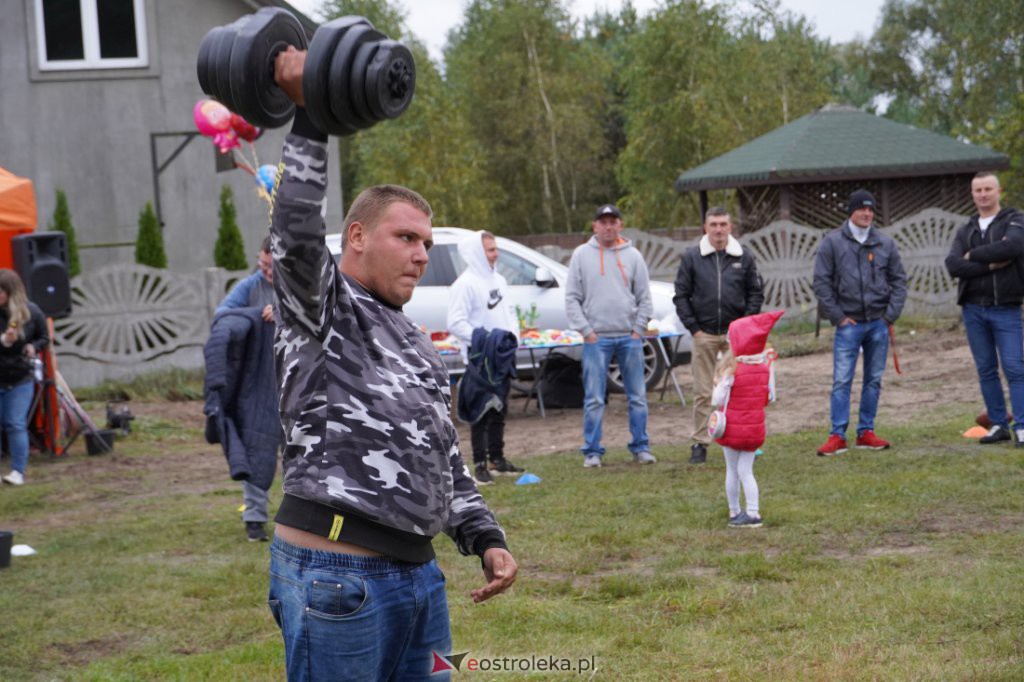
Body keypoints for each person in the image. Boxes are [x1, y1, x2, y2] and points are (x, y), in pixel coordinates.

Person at [266, 46, 516, 681]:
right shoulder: (320, 309)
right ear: (356, 237)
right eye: (406, 238)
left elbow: (441, 451)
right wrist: (310, 113)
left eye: (426, 244)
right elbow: (294, 234)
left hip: (419, 578)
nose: (420, 255)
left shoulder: (412, 339)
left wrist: (484, 536)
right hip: (338, 579)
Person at [813, 189, 908, 456]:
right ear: (851, 212)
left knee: (873, 380)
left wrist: (890, 315)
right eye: (861, 209)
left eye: (870, 209)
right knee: (842, 381)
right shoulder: (832, 243)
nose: (867, 214)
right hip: (848, 325)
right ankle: (837, 435)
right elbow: (820, 283)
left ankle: (866, 432)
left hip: (878, 323)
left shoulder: (885, 243)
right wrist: (838, 318)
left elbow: (899, 281)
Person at [565, 203, 655, 468]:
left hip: (629, 337)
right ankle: (592, 451)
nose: (608, 226)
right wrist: (587, 331)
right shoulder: (581, 255)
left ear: (620, 225)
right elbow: (572, 298)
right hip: (597, 339)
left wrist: (639, 330)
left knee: (637, 396)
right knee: (594, 398)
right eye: (603, 222)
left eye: (613, 221)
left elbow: (645, 298)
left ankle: (641, 447)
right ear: (594, 226)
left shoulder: (634, 256)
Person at [673, 206, 764, 465]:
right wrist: (694, 328)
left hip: (736, 337)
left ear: (730, 227)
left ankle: (743, 440)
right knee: (703, 391)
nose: (718, 229)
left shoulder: (744, 257)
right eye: (713, 224)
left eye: (723, 224)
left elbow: (755, 294)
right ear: (705, 227)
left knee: (740, 391)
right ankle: (700, 443)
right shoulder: (692, 257)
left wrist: (744, 327)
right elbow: (681, 295)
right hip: (705, 333)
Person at [206, 236, 279, 542]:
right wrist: (256, 315)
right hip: (258, 386)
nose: (265, 272)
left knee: (303, 457)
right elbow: (222, 316)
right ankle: (254, 520)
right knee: (253, 450)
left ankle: (307, 519)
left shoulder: (306, 288)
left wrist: (283, 312)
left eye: (271, 268)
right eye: (262, 265)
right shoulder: (250, 286)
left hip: (299, 384)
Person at [944, 172, 1024, 445]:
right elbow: (953, 265)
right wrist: (990, 264)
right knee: (986, 370)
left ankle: (1022, 427)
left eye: (988, 188)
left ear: (999, 191)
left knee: (1014, 368)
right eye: (978, 190)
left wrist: (973, 255)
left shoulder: (1014, 220)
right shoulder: (965, 229)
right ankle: (999, 425)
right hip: (973, 309)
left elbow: (1013, 247)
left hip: (1005, 308)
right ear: (973, 194)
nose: (983, 194)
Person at [447, 231, 524, 485]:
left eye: (495, 248)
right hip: (480, 361)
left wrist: (512, 338)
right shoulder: (465, 284)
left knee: (499, 410)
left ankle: (497, 460)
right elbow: (456, 323)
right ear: (477, 253)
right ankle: (480, 466)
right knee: (480, 412)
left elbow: (510, 312)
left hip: (502, 358)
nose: (496, 254)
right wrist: (486, 340)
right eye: (490, 250)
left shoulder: (499, 280)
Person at [710, 310, 783, 528]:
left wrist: (719, 384)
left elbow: (718, 399)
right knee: (747, 471)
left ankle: (736, 512)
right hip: (754, 431)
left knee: (732, 471)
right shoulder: (763, 369)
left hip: (731, 429)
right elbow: (769, 397)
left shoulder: (731, 371)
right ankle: (753, 511)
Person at [0, 269, 49, 486]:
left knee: (15, 423)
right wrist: (4, 341)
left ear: (11, 292)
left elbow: (44, 337)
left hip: (21, 378)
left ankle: (17, 472)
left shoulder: (31, 312)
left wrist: (32, 346)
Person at [216, 235, 275, 322]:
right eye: (265, 264)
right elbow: (221, 312)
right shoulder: (250, 284)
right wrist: (257, 313)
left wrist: (280, 314)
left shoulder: (296, 286)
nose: (270, 272)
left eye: (274, 266)